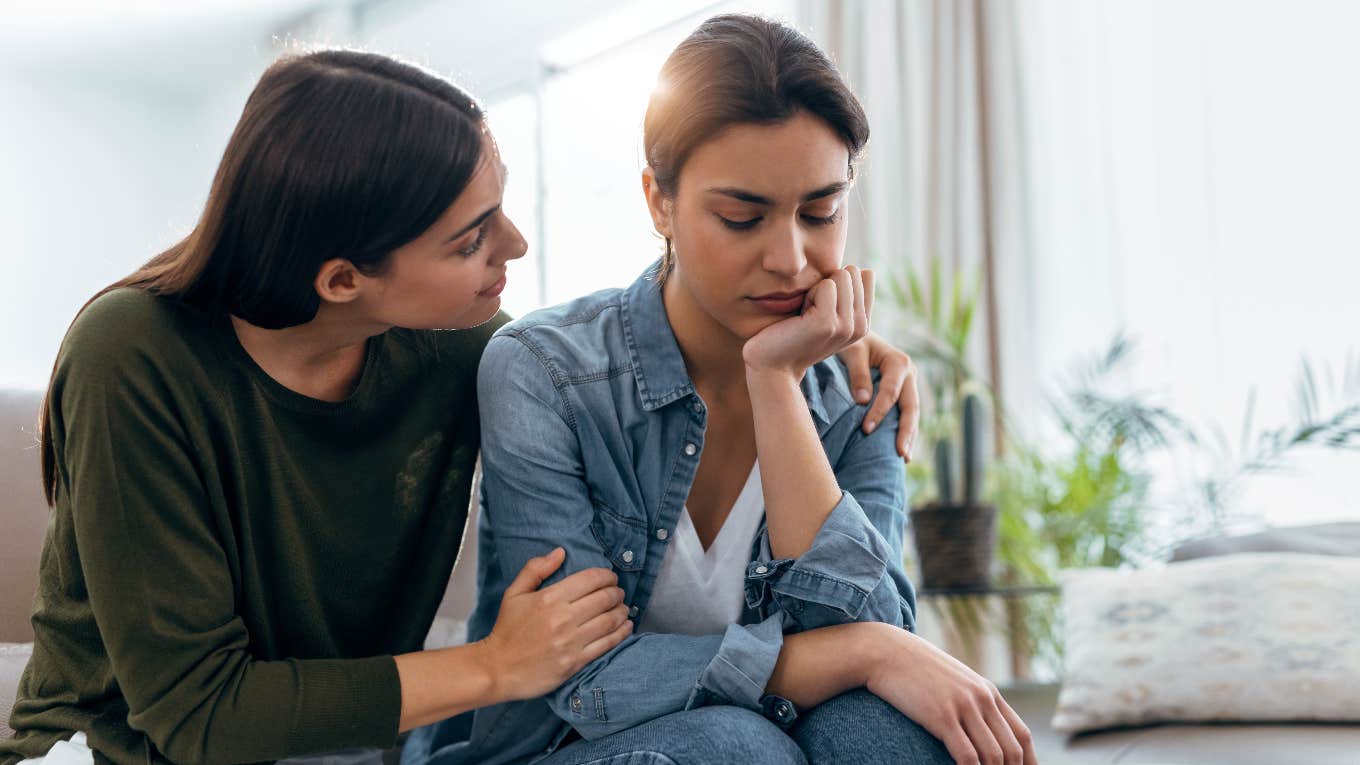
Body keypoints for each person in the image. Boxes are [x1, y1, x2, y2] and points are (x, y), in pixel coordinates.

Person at [2, 48, 922, 765]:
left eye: (503, 212)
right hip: (127, 752)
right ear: (343, 279)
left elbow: (618, 351)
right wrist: (494, 665)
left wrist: (827, 352)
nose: (515, 245)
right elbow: (195, 710)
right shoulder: (133, 353)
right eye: (473, 238)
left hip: (357, 747)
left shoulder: (461, 344)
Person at [404, 15, 1036, 765]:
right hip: (558, 749)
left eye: (821, 212)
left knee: (888, 733)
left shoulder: (859, 391)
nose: (790, 259)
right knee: (738, 746)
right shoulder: (546, 372)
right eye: (742, 217)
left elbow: (878, 631)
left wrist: (775, 385)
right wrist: (861, 650)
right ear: (658, 202)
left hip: (757, 736)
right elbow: (583, 682)